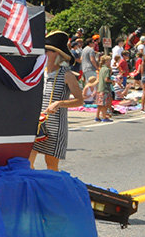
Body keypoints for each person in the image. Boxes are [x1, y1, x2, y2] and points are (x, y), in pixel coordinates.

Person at [29, 31, 84, 171]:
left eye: (48, 51)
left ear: (58, 55)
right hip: (37, 124)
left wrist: (59, 103)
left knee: (51, 165)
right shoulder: (40, 72)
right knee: (27, 163)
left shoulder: (67, 75)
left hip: (55, 126)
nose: (44, 53)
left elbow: (79, 100)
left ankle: (51, 191)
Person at [95, 55, 114, 122]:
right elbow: (106, 79)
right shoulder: (107, 69)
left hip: (100, 88)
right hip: (105, 88)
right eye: (109, 61)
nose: (110, 62)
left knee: (99, 104)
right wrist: (112, 81)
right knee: (105, 104)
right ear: (106, 61)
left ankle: (97, 116)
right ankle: (104, 117)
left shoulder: (101, 69)